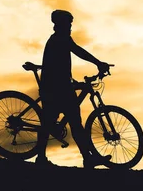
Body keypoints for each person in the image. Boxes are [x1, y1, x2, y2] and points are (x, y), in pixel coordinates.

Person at [35, 9, 112, 169]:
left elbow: (60, 67)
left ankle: (44, 158)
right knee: (70, 124)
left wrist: (72, 82)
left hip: (57, 85)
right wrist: (98, 63)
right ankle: (86, 158)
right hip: (57, 88)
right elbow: (79, 51)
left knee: (57, 122)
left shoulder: (57, 39)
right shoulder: (60, 40)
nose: (70, 27)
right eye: (68, 24)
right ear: (61, 25)